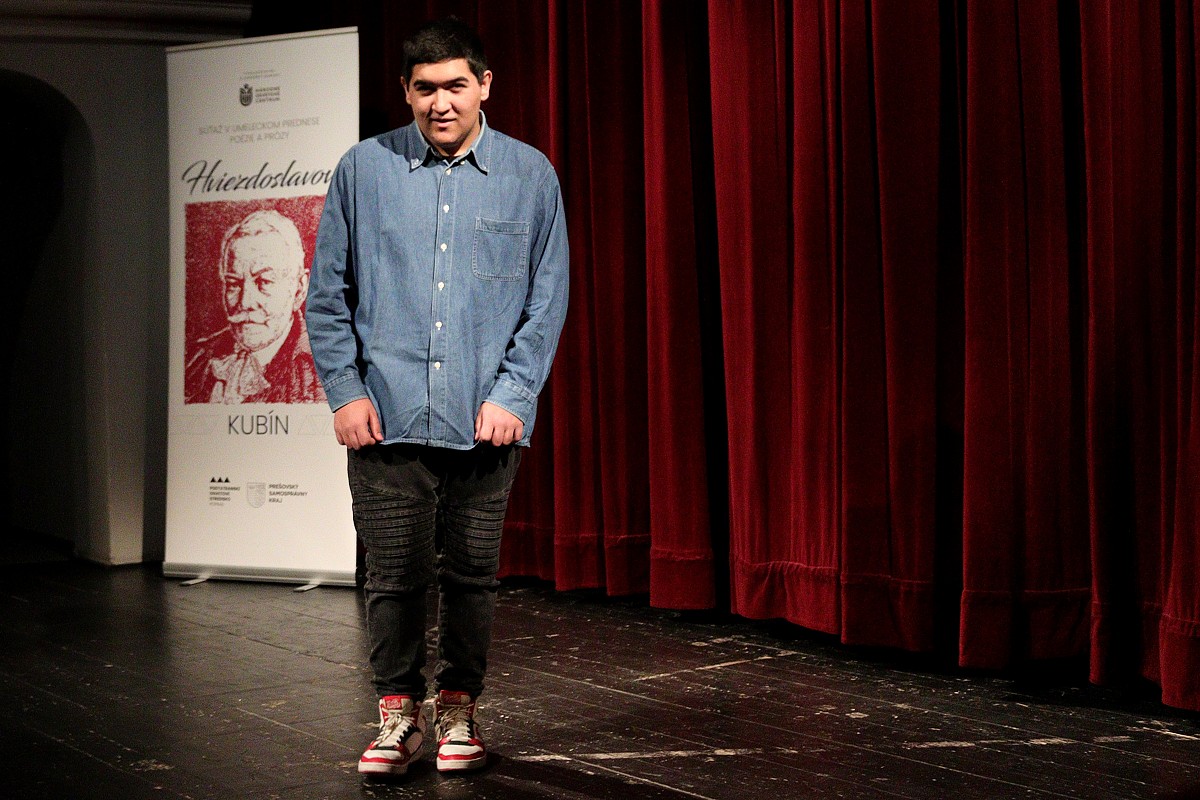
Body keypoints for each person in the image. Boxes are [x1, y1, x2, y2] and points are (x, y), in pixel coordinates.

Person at [305, 18, 569, 778]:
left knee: (471, 575)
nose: (441, 103)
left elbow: (546, 298)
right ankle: (398, 716)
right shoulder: (364, 168)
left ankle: (458, 709)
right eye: (425, 89)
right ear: (405, 91)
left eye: (456, 85)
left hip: (487, 419)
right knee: (392, 576)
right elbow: (327, 295)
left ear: (484, 85)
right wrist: (345, 392)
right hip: (384, 417)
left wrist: (515, 392)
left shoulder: (529, 174)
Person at [185, 208, 325, 404]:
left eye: (264, 281)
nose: (245, 302)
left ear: (299, 289)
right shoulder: (196, 359)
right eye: (233, 284)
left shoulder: (322, 366)